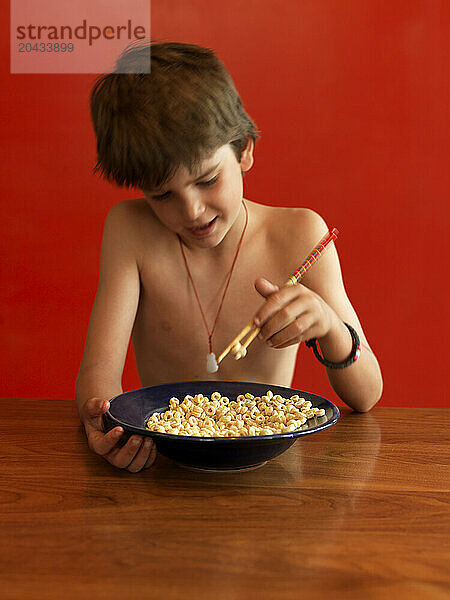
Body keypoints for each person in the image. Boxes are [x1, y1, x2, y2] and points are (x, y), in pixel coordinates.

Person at [75, 40, 383, 472]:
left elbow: (367, 395)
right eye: (162, 195)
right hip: (168, 464)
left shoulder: (298, 235)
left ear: (244, 151)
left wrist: (331, 328)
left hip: (273, 469)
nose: (192, 211)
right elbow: (99, 374)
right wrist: (100, 422)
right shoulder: (131, 230)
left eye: (207, 180)